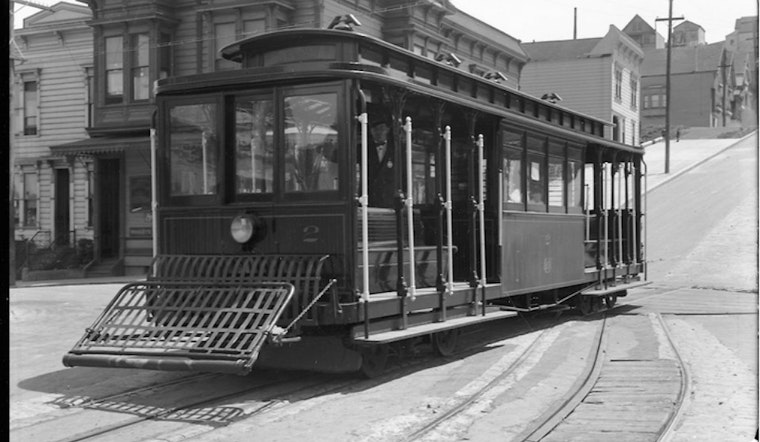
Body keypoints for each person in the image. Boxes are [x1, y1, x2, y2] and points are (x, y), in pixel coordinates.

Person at [362, 116, 396, 207]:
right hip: (369, 200)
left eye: (382, 129)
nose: (379, 132)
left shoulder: (396, 151)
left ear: (387, 130)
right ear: (371, 131)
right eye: (375, 129)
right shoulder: (364, 149)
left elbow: (404, 174)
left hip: (389, 202)